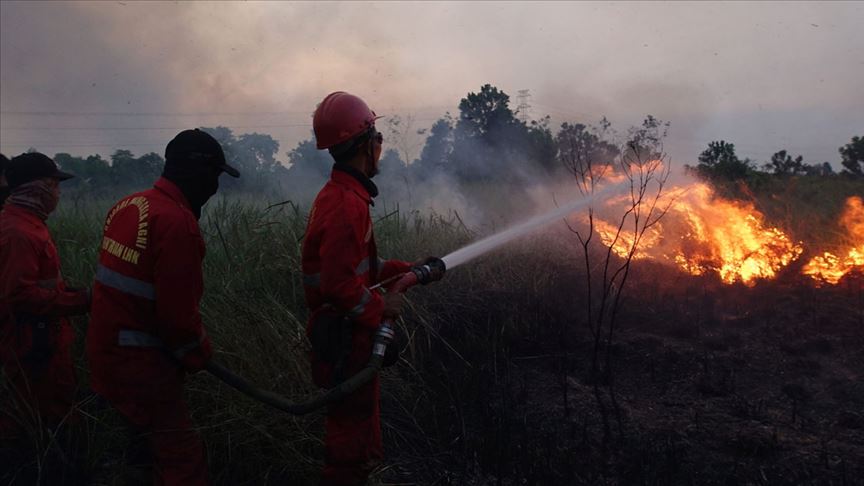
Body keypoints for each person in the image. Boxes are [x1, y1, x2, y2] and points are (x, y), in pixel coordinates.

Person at [302, 92, 443, 486]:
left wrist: (407, 269)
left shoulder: (344, 195)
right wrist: (382, 309)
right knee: (349, 446)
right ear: (365, 144)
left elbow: (358, 268)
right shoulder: (347, 205)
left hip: (344, 335)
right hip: (346, 340)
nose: (380, 144)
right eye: (376, 135)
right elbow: (338, 284)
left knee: (358, 438)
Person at [86, 129, 239, 485]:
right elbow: (177, 321)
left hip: (107, 356)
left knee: (141, 452)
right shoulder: (177, 224)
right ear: (199, 174)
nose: (215, 187)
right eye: (215, 176)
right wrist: (199, 354)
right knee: (180, 461)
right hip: (143, 368)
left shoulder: (128, 205)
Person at [0, 153, 90, 455]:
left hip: (43, 340)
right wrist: (79, 301)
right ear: (36, 189)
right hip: (31, 346)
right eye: (54, 185)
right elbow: (20, 295)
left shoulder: (28, 223)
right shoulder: (18, 233)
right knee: (36, 423)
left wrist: (70, 293)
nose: (57, 193)